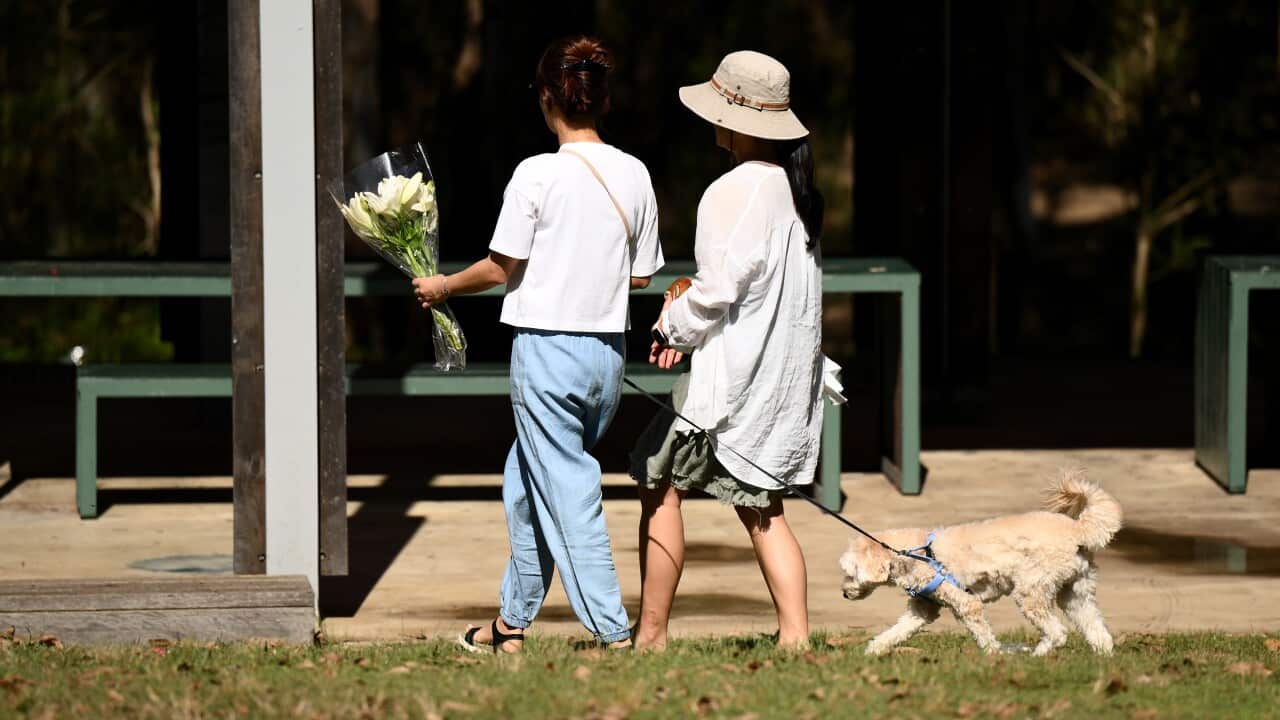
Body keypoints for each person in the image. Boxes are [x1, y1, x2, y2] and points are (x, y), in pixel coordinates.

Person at [412, 35, 664, 653]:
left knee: (568, 489)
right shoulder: (634, 173)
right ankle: (510, 625)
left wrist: (441, 286)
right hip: (606, 357)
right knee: (526, 483)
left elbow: (502, 267)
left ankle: (611, 633)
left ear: (548, 96)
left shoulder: (536, 173)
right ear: (600, 99)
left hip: (548, 355)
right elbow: (641, 274)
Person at [630, 50, 825, 651]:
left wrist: (671, 328)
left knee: (656, 479)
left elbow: (721, 287)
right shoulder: (797, 192)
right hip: (775, 379)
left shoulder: (732, 191)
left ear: (737, 121)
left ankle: (652, 635)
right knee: (763, 511)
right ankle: (796, 636)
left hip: (731, 381)